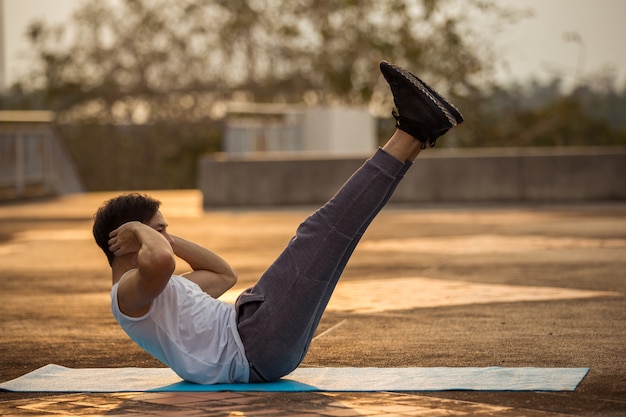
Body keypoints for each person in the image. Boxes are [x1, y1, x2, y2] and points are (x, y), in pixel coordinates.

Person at [92, 61, 464, 384]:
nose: (166, 238)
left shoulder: (163, 293)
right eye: (158, 230)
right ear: (127, 241)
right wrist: (143, 233)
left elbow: (224, 275)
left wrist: (162, 235)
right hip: (254, 342)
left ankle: (419, 136)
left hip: (259, 341)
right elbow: (159, 261)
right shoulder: (128, 295)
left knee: (340, 237)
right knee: (321, 230)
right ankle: (413, 129)